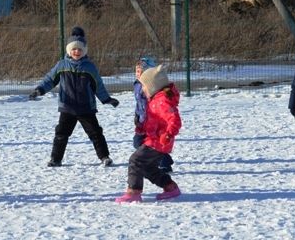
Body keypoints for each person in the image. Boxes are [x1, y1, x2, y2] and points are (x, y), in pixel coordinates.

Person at [29, 26, 119, 166]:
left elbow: (98, 85)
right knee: (61, 134)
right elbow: (50, 80)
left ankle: (104, 157)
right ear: (69, 50)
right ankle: (56, 159)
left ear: (84, 51)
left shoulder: (89, 67)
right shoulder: (62, 65)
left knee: (96, 133)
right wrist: (39, 90)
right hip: (67, 107)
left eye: (80, 49)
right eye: (74, 49)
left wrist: (107, 99)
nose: (77, 52)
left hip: (86, 108)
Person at [116, 65, 181, 203]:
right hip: (154, 139)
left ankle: (134, 191)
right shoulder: (156, 99)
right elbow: (154, 120)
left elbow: (174, 119)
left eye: (144, 87)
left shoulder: (161, 101)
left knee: (136, 160)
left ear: (153, 86)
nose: (143, 90)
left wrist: (168, 134)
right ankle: (170, 187)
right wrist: (142, 128)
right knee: (147, 167)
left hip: (159, 140)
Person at [133, 56, 174, 173]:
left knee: (152, 144)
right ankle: (164, 159)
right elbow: (139, 103)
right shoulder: (136, 84)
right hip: (142, 121)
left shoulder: (153, 87)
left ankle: (164, 164)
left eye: (141, 71)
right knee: (137, 143)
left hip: (152, 121)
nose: (138, 73)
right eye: (137, 71)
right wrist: (137, 116)